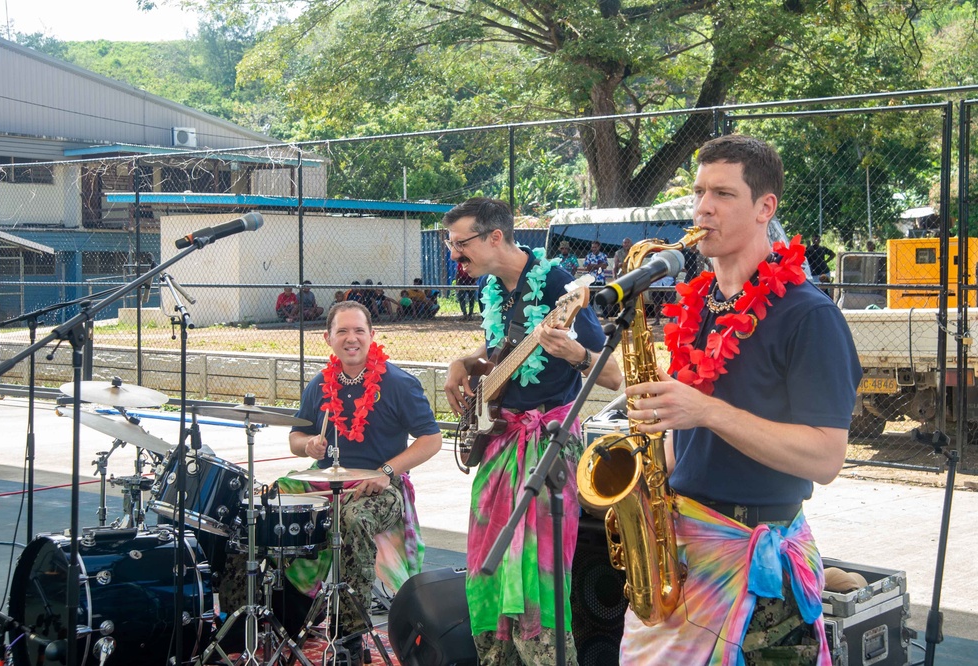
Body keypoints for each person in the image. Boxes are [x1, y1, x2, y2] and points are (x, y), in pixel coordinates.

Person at [619, 135, 861, 665]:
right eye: (699, 191)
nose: (703, 207)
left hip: (758, 568)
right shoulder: (697, 305)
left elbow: (825, 458)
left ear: (764, 208)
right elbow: (689, 433)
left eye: (723, 194)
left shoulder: (809, 316)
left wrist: (705, 411)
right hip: (680, 549)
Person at [442, 197, 623, 665]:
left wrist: (574, 355)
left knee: (536, 571)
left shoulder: (561, 285)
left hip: (548, 445)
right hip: (500, 442)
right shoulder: (497, 289)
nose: (453, 254)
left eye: (460, 244)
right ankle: (497, 657)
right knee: (488, 560)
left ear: (494, 237)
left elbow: (614, 373)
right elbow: (501, 349)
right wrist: (462, 363)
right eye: (449, 243)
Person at [286, 301, 443, 665]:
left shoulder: (400, 383)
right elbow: (295, 438)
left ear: (372, 336)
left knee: (352, 519)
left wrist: (386, 472)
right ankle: (286, 611)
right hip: (327, 484)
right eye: (342, 331)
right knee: (267, 507)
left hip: (384, 489)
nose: (351, 338)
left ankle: (349, 634)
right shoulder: (319, 385)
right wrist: (307, 444)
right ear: (328, 338)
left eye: (359, 330)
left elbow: (431, 440)